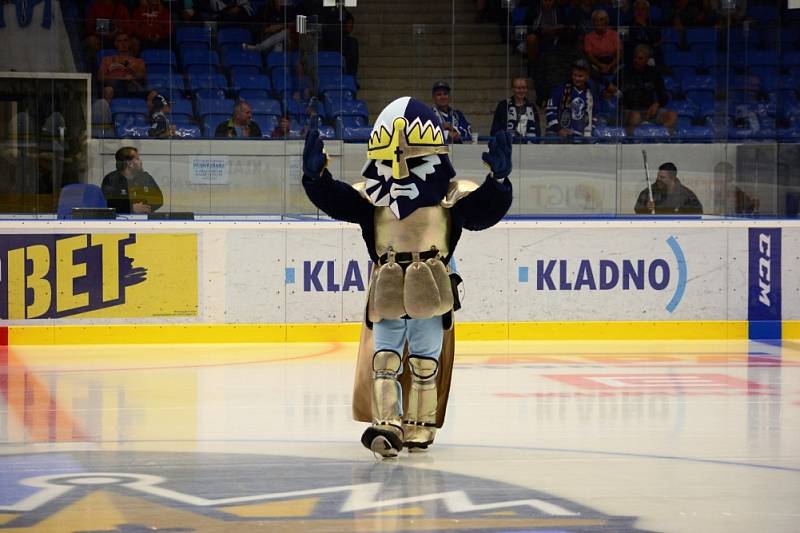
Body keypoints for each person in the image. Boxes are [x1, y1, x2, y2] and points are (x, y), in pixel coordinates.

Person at [301, 97, 513, 458]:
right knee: (384, 359)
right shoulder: (372, 196)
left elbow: (482, 212)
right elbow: (337, 200)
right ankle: (386, 422)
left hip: (430, 284)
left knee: (425, 364)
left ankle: (421, 424)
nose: (400, 168)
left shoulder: (450, 195)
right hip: (387, 284)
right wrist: (316, 179)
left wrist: (499, 181)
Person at [618, 44, 677, 135]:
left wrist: (656, 105)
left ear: (647, 59)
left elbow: (664, 96)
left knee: (672, 116)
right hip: (630, 111)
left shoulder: (654, 73)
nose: (636, 61)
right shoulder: (624, 72)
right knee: (635, 116)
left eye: (640, 58)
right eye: (635, 58)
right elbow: (613, 90)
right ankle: (632, 144)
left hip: (650, 111)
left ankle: (661, 140)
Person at [101, 146, 163, 214]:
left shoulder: (146, 177)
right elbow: (106, 203)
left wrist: (144, 208)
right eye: (137, 159)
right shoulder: (111, 179)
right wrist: (131, 208)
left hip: (144, 219)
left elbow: (159, 200)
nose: (141, 161)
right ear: (129, 163)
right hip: (118, 221)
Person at [545, 59, 596, 138]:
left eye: (580, 76)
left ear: (587, 77)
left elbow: (595, 115)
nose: (577, 78)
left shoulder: (591, 94)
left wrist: (589, 132)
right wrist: (559, 129)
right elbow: (550, 112)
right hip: (559, 135)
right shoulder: (559, 90)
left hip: (581, 137)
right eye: (575, 75)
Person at [634, 162, 703, 214]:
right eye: (658, 176)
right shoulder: (648, 192)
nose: (658, 179)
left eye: (662, 177)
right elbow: (637, 210)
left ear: (672, 178)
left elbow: (698, 214)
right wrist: (646, 208)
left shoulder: (687, 195)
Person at [490, 76, 540, 142]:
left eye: (524, 88)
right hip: (508, 146)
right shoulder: (503, 105)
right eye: (518, 88)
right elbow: (495, 129)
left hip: (530, 147)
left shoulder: (532, 107)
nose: (521, 91)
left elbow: (537, 130)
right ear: (512, 89)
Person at [97, 32, 146, 97]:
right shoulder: (107, 60)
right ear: (115, 43)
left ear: (130, 43)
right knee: (108, 90)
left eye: (125, 40)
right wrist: (121, 79)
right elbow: (100, 77)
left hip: (132, 87)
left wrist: (132, 70)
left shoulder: (139, 61)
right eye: (119, 41)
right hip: (114, 88)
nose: (123, 43)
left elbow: (142, 76)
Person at [584, 9, 620, 79]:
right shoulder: (588, 37)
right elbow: (590, 55)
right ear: (593, 22)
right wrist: (600, 65)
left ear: (606, 21)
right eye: (596, 20)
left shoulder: (614, 34)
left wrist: (611, 65)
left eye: (601, 20)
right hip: (596, 64)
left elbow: (619, 53)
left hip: (613, 63)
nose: (599, 22)